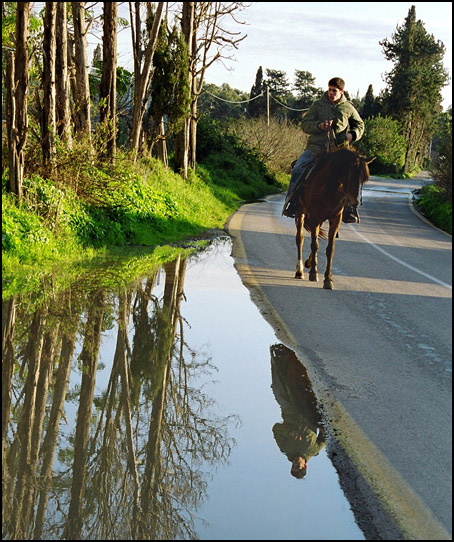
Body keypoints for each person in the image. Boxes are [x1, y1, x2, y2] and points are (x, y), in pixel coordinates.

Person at [282, 77, 365, 223]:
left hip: (339, 151)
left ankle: (350, 209)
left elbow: (360, 125)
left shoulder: (348, 108)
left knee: (353, 174)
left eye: (334, 91)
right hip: (316, 148)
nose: (331, 93)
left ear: (341, 91)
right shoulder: (318, 105)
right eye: (330, 89)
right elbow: (305, 124)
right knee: (298, 168)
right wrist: (320, 126)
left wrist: (351, 135)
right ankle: (292, 203)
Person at [270, 344, 326, 479]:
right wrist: (320, 426)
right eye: (298, 466)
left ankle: (279, 354)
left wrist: (289, 432)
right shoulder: (314, 450)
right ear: (304, 466)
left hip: (289, 409)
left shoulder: (285, 448)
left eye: (293, 466)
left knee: (278, 389)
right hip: (308, 412)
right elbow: (325, 435)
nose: (295, 463)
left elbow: (276, 429)